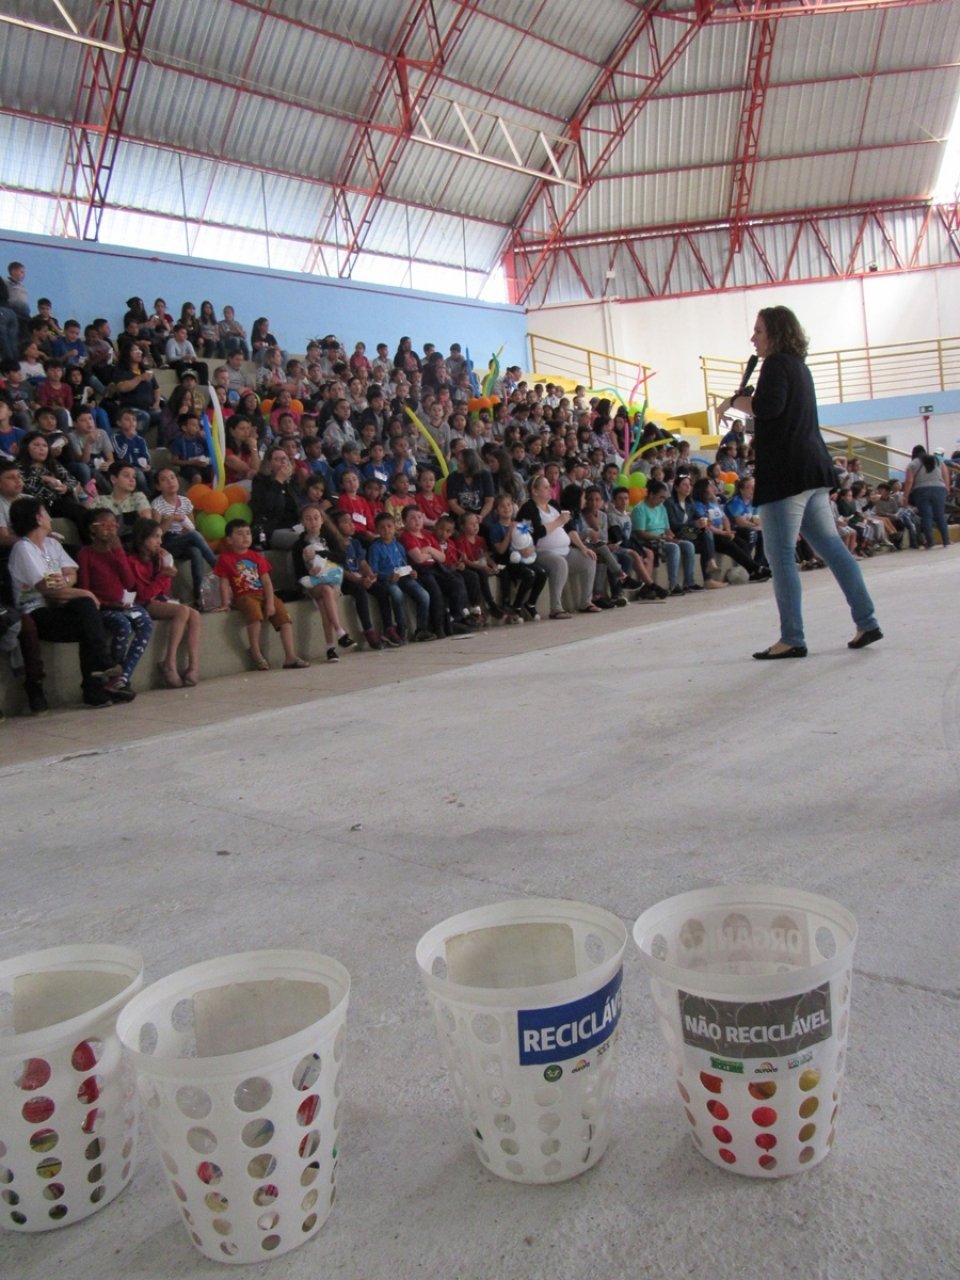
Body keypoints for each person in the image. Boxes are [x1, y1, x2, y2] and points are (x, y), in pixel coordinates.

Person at [718, 305, 882, 657]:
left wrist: (734, 401)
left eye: (758, 331)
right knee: (832, 547)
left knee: (780, 557)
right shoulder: (798, 367)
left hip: (787, 474)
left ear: (775, 333)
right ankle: (867, 621)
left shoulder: (776, 365)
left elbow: (768, 407)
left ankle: (792, 637)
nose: (753, 338)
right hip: (811, 469)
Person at [7, 496, 120, 707]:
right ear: (38, 518)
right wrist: (84, 593)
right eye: (45, 512)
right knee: (87, 609)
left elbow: (71, 572)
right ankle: (97, 678)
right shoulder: (24, 549)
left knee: (88, 618)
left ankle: (95, 684)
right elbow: (48, 590)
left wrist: (67, 582)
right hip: (36, 611)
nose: (50, 517)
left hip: (58, 606)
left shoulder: (51, 544)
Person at [77, 508, 153, 700]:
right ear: (92, 529)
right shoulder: (86, 553)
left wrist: (118, 552)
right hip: (103, 607)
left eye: (114, 525)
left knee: (145, 621)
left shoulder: (117, 553)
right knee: (123, 625)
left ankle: (122, 677)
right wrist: (107, 604)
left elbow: (129, 583)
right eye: (104, 525)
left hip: (122, 603)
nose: (110, 530)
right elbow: (86, 590)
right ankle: (113, 674)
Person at [214, 518, 309, 670]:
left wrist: (271, 602)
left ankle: (290, 656)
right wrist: (225, 603)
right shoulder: (225, 559)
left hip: (264, 594)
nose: (245, 537)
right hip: (244, 596)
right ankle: (256, 651)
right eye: (240, 534)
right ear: (229, 540)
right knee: (255, 615)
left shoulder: (256, 556)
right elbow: (224, 583)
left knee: (284, 617)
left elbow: (267, 582)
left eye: (248, 533)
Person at [128, 517, 201, 687]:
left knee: (195, 614)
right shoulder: (132, 561)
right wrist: (163, 576)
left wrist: (165, 567)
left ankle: (193, 665)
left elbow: (163, 591)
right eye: (155, 537)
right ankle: (169, 661)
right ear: (142, 538)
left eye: (161, 537)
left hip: (157, 599)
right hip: (140, 602)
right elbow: (144, 595)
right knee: (182, 611)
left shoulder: (157, 558)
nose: (159, 542)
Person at [291, 504, 358, 662]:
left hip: (332, 579)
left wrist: (322, 553)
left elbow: (341, 558)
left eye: (316, 518)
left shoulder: (330, 539)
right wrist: (311, 573)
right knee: (326, 592)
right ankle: (340, 632)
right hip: (313, 583)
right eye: (308, 519)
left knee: (324, 602)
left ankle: (330, 647)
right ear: (302, 523)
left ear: (322, 520)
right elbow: (299, 573)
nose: (313, 522)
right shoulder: (299, 545)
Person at [150, 466, 217, 607]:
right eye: (164, 479)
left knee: (196, 551)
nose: (170, 482)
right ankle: (217, 564)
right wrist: (169, 520)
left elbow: (192, 527)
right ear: (158, 486)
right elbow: (155, 536)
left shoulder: (185, 501)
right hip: (167, 542)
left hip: (184, 539)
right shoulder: (157, 504)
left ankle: (199, 596)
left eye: (172, 477)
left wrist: (184, 525)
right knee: (194, 537)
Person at [367, 510, 433, 642]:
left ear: (395, 527)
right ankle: (401, 627)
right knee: (397, 593)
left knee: (424, 595)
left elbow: (405, 564)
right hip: (388, 580)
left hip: (404, 578)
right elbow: (373, 571)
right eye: (382, 527)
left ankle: (422, 629)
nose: (386, 530)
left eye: (389, 526)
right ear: (377, 530)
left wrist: (412, 572)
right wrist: (388, 576)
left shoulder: (399, 546)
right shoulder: (375, 548)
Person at [631, 479, 696, 596]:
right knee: (673, 548)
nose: (662, 500)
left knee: (688, 545)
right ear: (651, 495)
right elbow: (640, 533)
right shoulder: (639, 509)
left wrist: (671, 536)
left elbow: (667, 528)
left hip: (663, 538)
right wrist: (662, 539)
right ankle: (673, 584)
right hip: (649, 540)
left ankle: (689, 582)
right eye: (660, 497)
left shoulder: (661, 508)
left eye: (664, 498)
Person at [902, 444, 950, 550]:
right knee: (940, 515)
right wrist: (947, 487)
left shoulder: (912, 464)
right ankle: (946, 541)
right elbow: (945, 473)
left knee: (926, 516)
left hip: (921, 491)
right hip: (939, 489)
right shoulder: (937, 460)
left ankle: (930, 542)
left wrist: (905, 496)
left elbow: (909, 481)